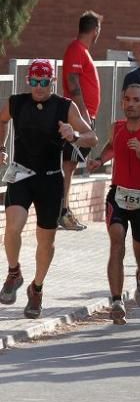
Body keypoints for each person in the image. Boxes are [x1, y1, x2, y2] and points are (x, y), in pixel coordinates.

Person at [0, 60, 97, 318]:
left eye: (44, 82)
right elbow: (1, 120)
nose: (39, 87)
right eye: (35, 81)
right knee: (12, 226)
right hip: (21, 174)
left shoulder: (64, 106)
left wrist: (73, 135)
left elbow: (92, 137)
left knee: (46, 241)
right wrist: (1, 147)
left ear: (52, 82)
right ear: (28, 81)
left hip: (51, 179)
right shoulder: (16, 102)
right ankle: (13, 272)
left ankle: (37, 289)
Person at [86, 84, 140, 325]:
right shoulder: (117, 128)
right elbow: (112, 147)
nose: (131, 104)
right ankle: (116, 300)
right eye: (127, 99)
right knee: (116, 242)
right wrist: (99, 160)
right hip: (118, 195)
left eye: (136, 100)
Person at [59, 10, 103, 231]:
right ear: (95, 30)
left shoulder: (82, 51)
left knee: (71, 165)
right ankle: (62, 211)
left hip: (83, 117)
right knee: (68, 166)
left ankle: (64, 210)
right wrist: (84, 117)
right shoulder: (77, 50)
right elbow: (73, 83)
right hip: (78, 118)